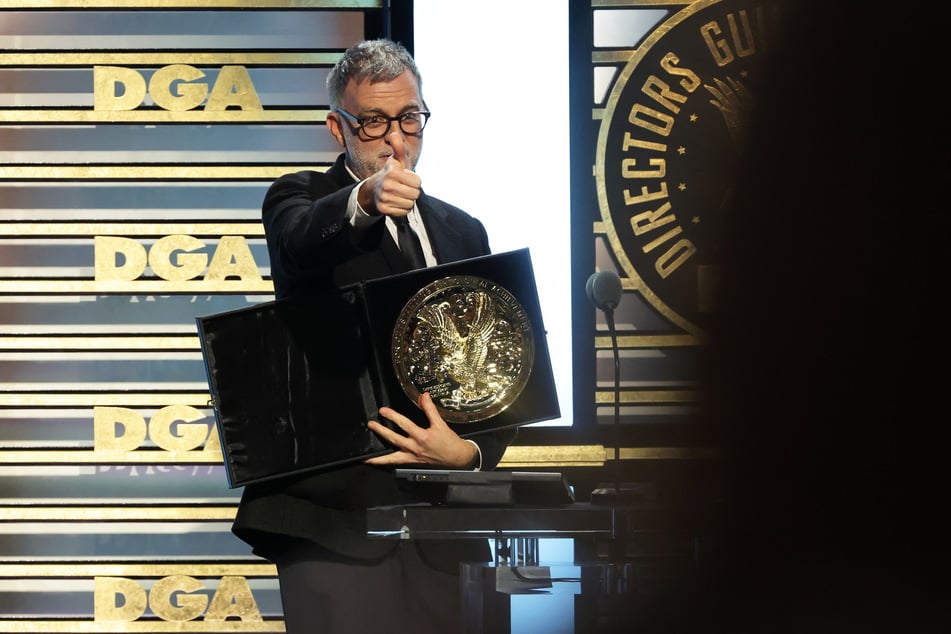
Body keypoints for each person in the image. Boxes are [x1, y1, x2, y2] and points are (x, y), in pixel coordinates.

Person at [230, 39, 517, 634]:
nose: (395, 140)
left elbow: (501, 361)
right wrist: (362, 200)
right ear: (338, 127)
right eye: (375, 122)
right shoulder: (299, 199)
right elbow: (302, 241)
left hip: (446, 531)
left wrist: (471, 454)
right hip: (336, 524)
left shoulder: (462, 230)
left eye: (410, 118)